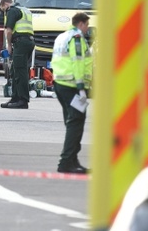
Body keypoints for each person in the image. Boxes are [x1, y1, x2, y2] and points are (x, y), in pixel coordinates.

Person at [51, 12, 92, 174]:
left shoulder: (62, 37)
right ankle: (66, 161)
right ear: (81, 23)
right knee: (75, 122)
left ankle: (73, 160)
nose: (87, 28)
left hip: (60, 84)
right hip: (72, 85)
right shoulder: (76, 38)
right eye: (87, 25)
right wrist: (81, 87)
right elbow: (78, 63)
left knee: (72, 121)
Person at [0, 0, 35, 109]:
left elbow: (9, 30)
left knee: (20, 71)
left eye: (3, 9)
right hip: (28, 41)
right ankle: (15, 98)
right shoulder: (25, 9)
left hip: (21, 43)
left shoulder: (12, 10)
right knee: (15, 70)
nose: (4, 12)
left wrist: (9, 45)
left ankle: (23, 100)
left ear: (5, 4)